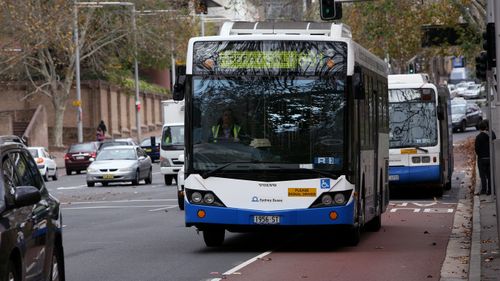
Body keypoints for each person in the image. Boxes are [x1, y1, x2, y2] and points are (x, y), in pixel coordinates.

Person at [475, 120, 496, 195]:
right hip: (490, 158)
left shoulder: (478, 137)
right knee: (490, 175)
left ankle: (484, 189)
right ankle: (490, 190)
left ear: (480, 128)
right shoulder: (491, 135)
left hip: (481, 159)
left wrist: (480, 155)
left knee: (482, 175)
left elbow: (476, 149)